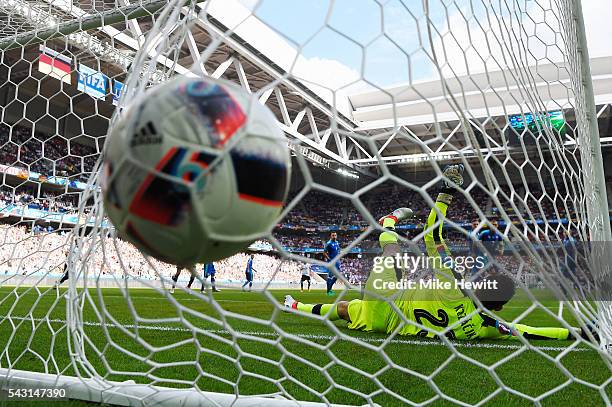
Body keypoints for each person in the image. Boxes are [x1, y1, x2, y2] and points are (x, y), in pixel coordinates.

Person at [284, 165, 592, 342]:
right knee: (346, 309)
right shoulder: (485, 328)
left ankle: (388, 222)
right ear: (497, 309)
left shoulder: (454, 282)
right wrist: (578, 333)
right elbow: (529, 331)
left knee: (391, 251)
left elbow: (433, 236)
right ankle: (296, 303)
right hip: (386, 325)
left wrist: (446, 194)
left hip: (387, 296)